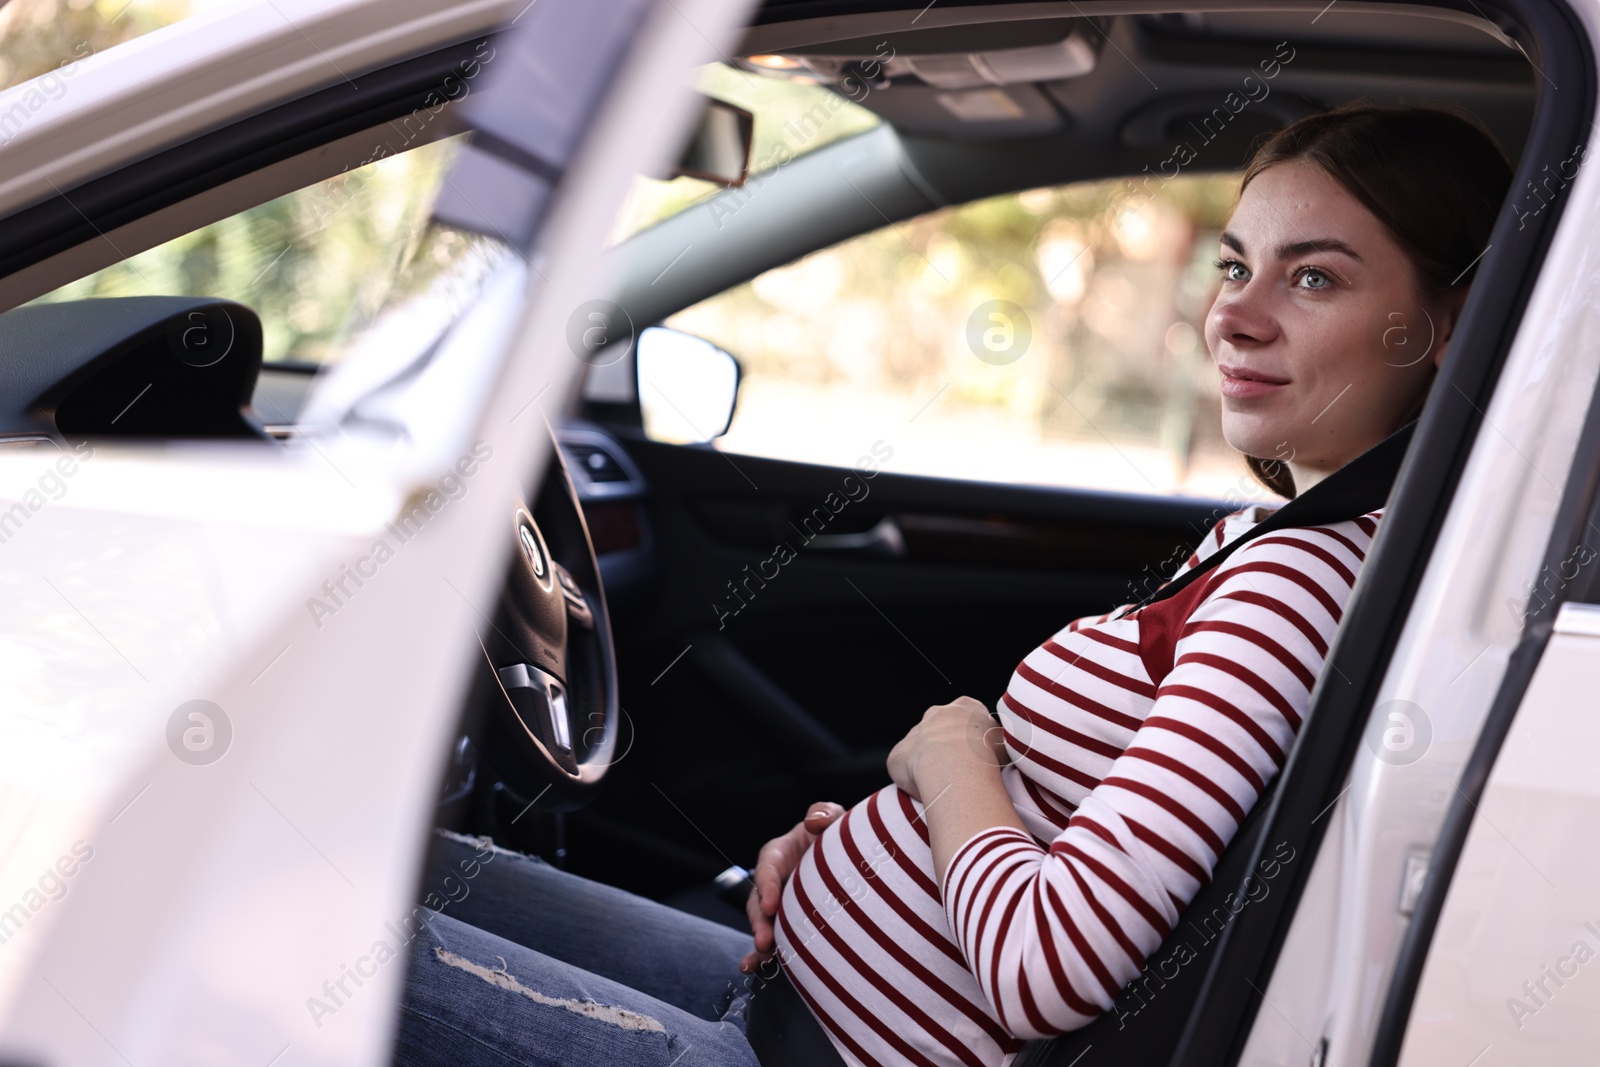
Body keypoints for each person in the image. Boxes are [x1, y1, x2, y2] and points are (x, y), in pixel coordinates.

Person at [392, 103, 1512, 1067]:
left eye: (1312, 276)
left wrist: (949, 752)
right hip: (790, 994)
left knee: (302, 929)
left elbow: (1047, 967)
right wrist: (885, 836)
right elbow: (1071, 834)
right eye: (1234, 263)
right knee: (406, 869)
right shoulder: (1281, 538)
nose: (1235, 313)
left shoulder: (1292, 590)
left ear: (1446, 327)